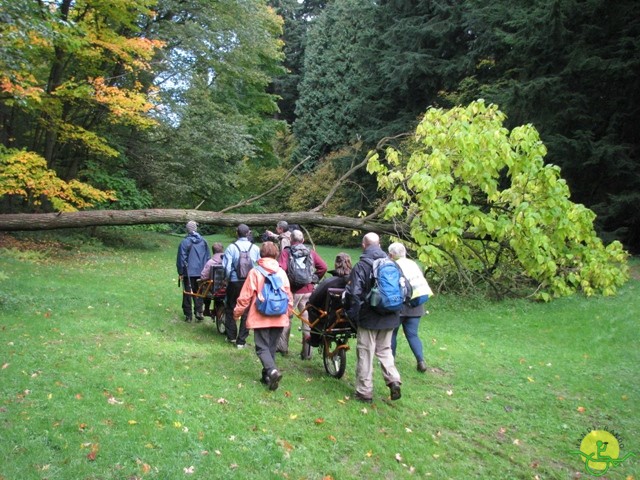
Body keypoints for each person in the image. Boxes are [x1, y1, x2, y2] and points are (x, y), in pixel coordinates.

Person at [344, 232, 402, 403]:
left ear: (364, 245)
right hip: (391, 315)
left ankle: (364, 391)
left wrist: (353, 315)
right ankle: (393, 379)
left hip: (369, 318)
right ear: (379, 244)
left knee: (366, 353)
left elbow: (354, 293)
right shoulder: (392, 264)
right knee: (385, 350)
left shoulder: (362, 266)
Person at [233, 241, 293, 390]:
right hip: (279, 316)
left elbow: (245, 296)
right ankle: (267, 377)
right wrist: (288, 313)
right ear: (276, 254)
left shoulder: (255, 272)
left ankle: (272, 371)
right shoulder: (281, 272)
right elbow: (288, 296)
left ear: (261, 254)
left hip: (261, 316)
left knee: (261, 348)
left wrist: (237, 312)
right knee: (270, 348)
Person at [277, 229, 327, 359]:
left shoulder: (286, 252)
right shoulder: (310, 252)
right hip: (308, 292)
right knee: (307, 321)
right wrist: (314, 279)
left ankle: (283, 348)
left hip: (292, 292)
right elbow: (323, 267)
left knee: (286, 318)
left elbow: (281, 269)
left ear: (290, 240)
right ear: (303, 240)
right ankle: (307, 353)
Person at [388, 242, 432, 373]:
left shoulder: (394, 265)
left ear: (392, 254)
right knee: (413, 335)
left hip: (401, 305)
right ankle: (421, 361)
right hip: (417, 304)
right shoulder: (413, 264)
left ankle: (390, 362)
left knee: (392, 334)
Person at [223, 224, 260, 348]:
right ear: (248, 233)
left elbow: (227, 268)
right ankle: (241, 341)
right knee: (247, 311)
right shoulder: (255, 248)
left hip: (234, 282)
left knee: (230, 307)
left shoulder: (231, 248)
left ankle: (231, 336)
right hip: (249, 283)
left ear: (236, 233)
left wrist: (227, 279)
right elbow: (258, 266)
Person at [306, 252, 352, 348]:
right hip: (348, 320)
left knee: (310, 305)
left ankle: (314, 338)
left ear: (336, 264)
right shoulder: (354, 281)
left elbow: (313, 299)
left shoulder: (329, 282)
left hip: (327, 320)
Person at [176, 220, 210, 322]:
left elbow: (181, 258)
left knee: (187, 293)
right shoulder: (204, 241)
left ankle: (188, 315)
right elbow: (208, 257)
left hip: (188, 272)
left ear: (187, 230)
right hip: (201, 272)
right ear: (196, 229)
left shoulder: (185, 242)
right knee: (199, 292)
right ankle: (199, 312)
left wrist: (181, 272)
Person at [200, 242, 224, 317]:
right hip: (225, 287)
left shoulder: (210, 262)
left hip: (212, 288)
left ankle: (206, 309)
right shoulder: (227, 261)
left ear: (213, 251)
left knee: (205, 287)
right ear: (222, 250)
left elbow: (203, 276)